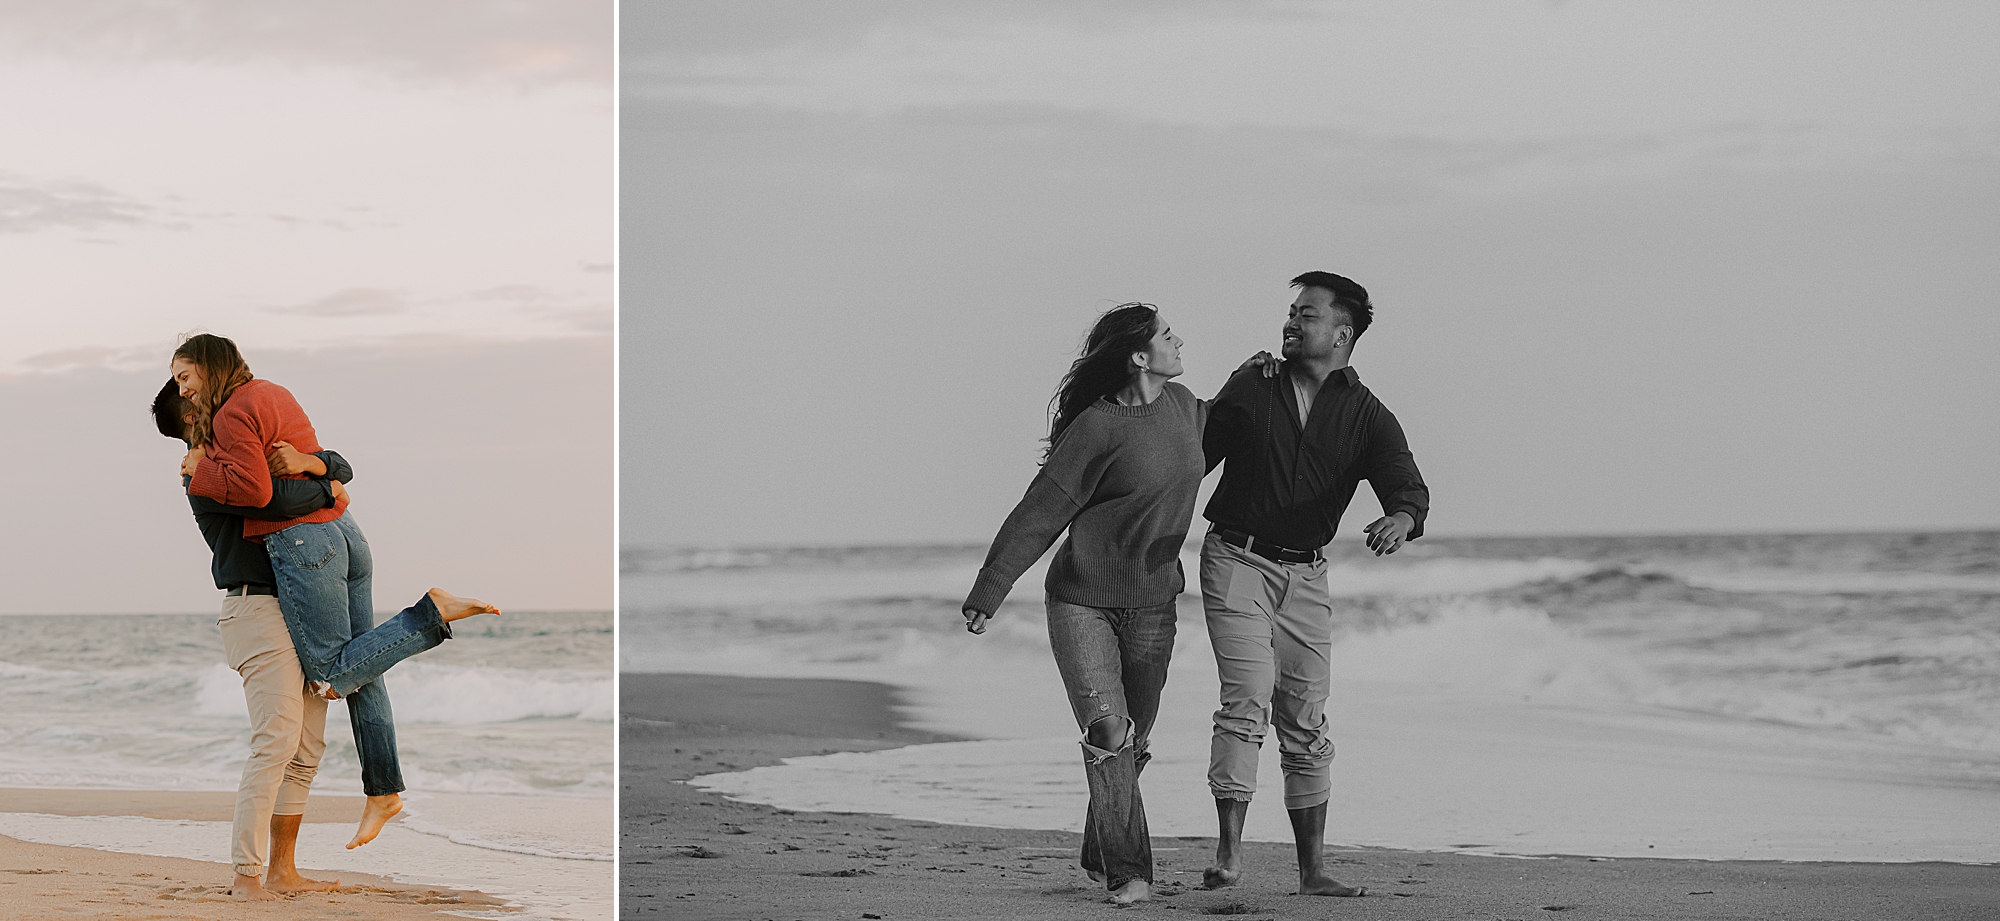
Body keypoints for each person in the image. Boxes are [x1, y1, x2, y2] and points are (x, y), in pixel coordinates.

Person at [169, 333, 502, 851]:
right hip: (347, 533)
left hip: (307, 544)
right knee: (363, 664)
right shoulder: (274, 393)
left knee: (331, 671)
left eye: (186, 378)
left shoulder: (229, 422)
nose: (184, 390)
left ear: (208, 376)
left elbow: (264, 498)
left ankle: (429, 614)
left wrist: (213, 467)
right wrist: (326, 477)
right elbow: (337, 463)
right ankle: (384, 790)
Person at [961, 303, 1205, 905]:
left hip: (1154, 601)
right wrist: (991, 587)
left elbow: (1249, 429)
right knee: (1109, 728)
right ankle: (1130, 873)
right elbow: (1041, 510)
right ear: (1139, 356)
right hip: (1082, 601)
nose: (1181, 342)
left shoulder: (1190, 411)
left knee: (1134, 741)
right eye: (1168, 336)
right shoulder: (1096, 427)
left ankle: (1101, 846)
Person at [1197, 271, 1429, 896]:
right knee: (1246, 695)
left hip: (1306, 575)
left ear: (1343, 332)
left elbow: (1406, 484)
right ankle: (1228, 855)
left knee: (1303, 715)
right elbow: (1192, 453)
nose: (1292, 322)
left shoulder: (1365, 413)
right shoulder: (1255, 382)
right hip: (1235, 559)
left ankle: (1313, 871)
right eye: (1292, 312)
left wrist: (1401, 519)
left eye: (1308, 314)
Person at [152, 380, 349, 900]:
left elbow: (298, 481)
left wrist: (322, 468)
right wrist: (329, 484)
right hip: (255, 609)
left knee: (306, 749)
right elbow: (281, 502)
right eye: (205, 407)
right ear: (192, 421)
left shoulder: (231, 462)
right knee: (277, 741)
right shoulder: (205, 476)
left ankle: (283, 870)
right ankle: (245, 874)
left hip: (297, 606)